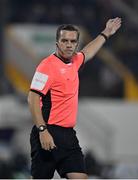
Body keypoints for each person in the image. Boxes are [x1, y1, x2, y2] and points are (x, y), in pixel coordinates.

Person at [28, 17, 121, 179]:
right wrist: (42, 130)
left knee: (80, 177)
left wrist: (106, 33)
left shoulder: (75, 61)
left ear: (76, 43)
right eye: (64, 40)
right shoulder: (46, 66)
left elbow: (88, 52)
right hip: (48, 131)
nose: (69, 44)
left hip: (68, 135)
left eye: (73, 41)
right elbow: (32, 98)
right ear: (57, 42)